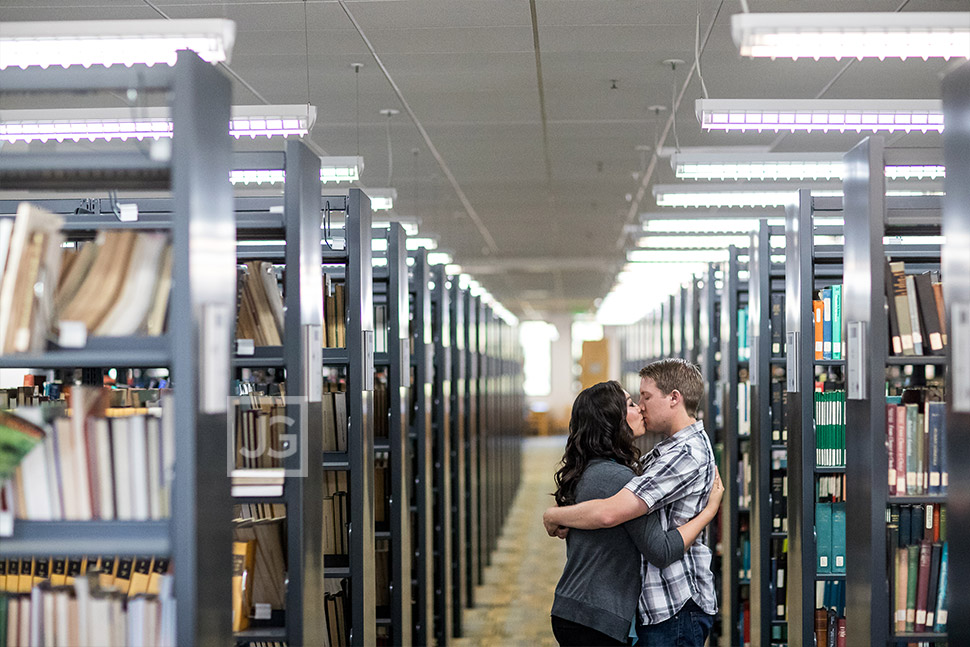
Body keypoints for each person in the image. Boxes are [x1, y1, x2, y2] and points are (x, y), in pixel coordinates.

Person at [544, 359, 719, 647]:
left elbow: (613, 517)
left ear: (674, 398)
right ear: (613, 421)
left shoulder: (680, 455)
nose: (641, 407)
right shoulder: (629, 467)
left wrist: (557, 516)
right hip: (602, 613)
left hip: (670, 606)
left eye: (645, 398)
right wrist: (710, 512)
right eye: (633, 403)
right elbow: (618, 519)